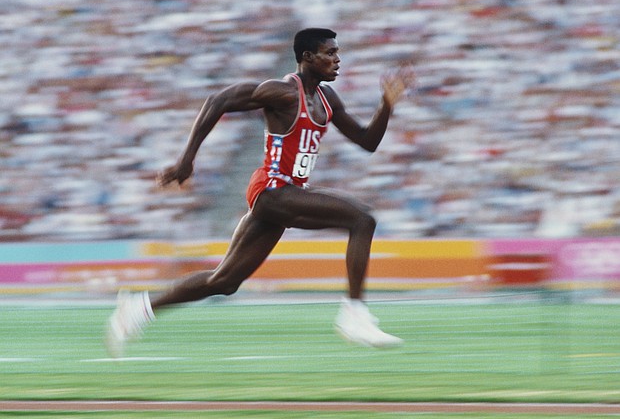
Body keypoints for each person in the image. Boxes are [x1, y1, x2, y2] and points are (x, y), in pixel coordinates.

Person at [105, 28, 416, 357]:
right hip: (272, 189)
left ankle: (138, 307)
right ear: (307, 58)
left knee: (224, 282)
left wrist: (386, 105)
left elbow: (367, 142)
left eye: (338, 53)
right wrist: (187, 160)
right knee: (362, 219)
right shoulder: (282, 92)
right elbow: (218, 100)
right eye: (330, 53)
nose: (338, 60)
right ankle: (354, 314)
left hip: (284, 196)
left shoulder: (328, 100)